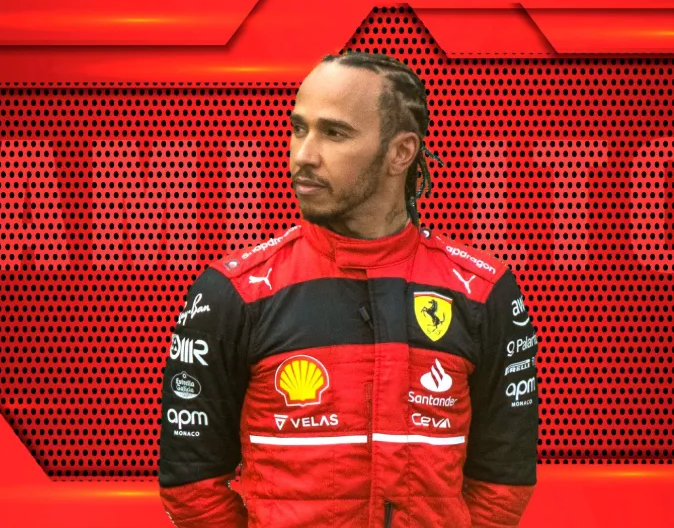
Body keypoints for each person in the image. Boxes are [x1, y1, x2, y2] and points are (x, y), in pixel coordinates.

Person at [158, 51, 539, 527]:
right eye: (299, 129)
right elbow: (191, 485)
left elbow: (504, 483)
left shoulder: (484, 292)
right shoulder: (233, 292)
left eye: (334, 133)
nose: (303, 155)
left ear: (401, 153)